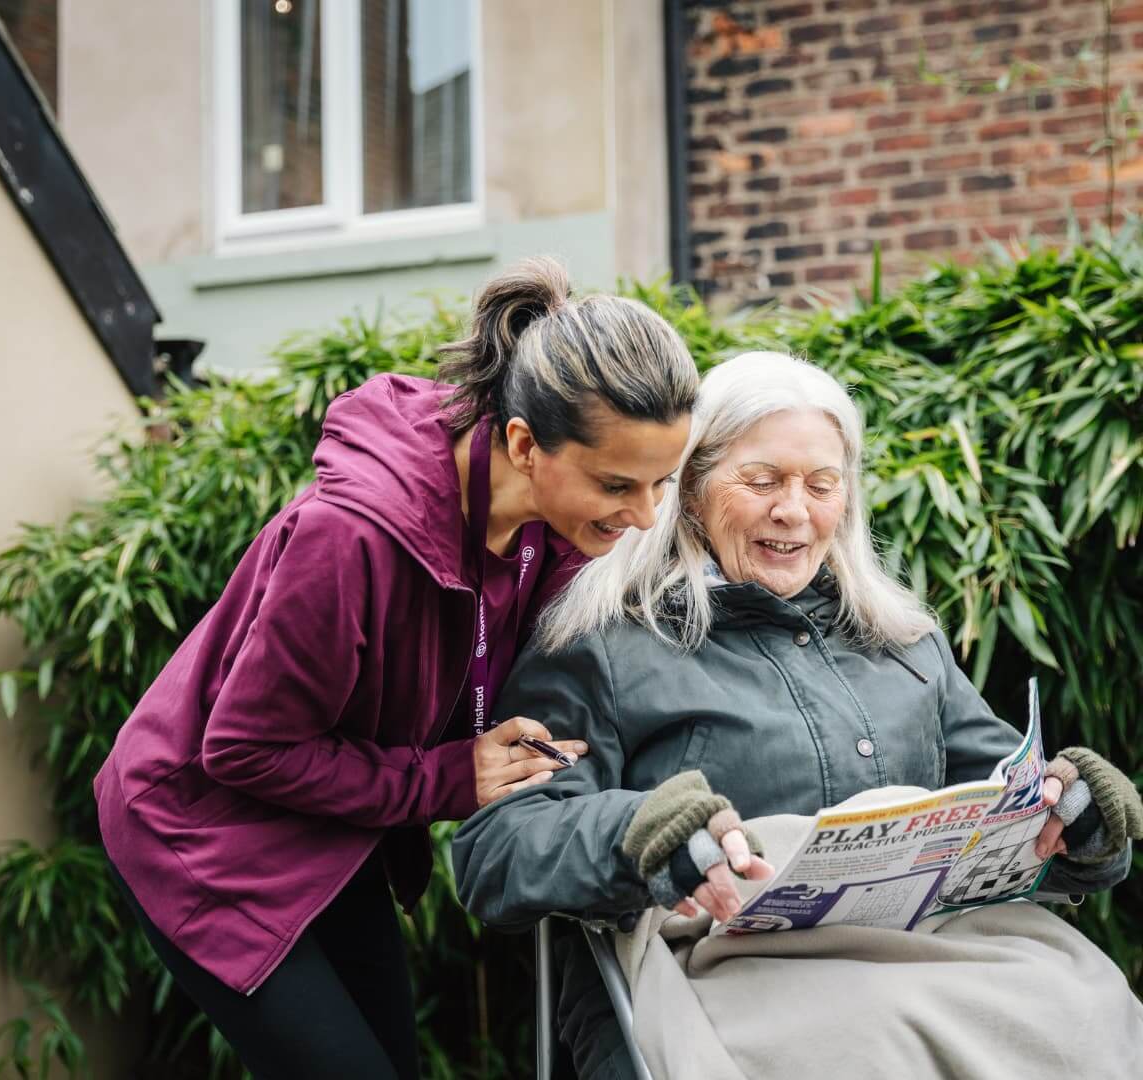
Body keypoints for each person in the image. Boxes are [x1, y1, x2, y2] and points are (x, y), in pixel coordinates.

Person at [453, 351, 1143, 1080]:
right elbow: (496, 851)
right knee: (868, 1045)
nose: (794, 510)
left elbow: (1017, 811)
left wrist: (1084, 819)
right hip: (721, 973)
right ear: (688, 489)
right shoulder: (603, 644)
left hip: (929, 952)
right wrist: (636, 833)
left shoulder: (905, 641)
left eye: (821, 484)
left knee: (1085, 1008)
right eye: (761, 481)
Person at [93, 257, 699, 1079]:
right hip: (203, 825)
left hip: (334, 825)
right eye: (618, 484)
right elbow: (243, 749)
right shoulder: (350, 538)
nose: (644, 515)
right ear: (524, 444)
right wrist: (451, 779)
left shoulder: (548, 526)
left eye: (663, 481)